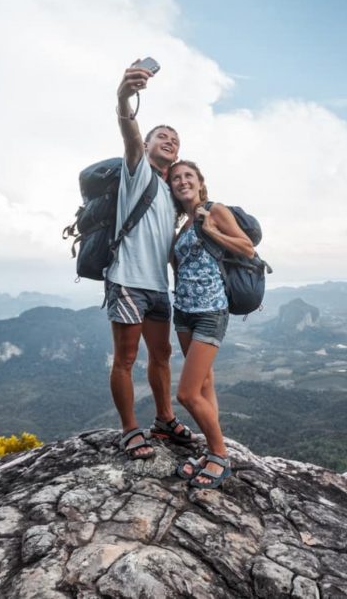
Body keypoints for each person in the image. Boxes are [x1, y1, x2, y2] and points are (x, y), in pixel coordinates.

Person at [108, 62, 195, 459]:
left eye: (176, 139)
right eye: (162, 135)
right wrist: (125, 97)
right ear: (147, 145)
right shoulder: (137, 169)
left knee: (161, 356)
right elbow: (129, 130)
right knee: (125, 358)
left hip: (158, 287)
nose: (170, 141)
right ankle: (129, 429)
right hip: (127, 279)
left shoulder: (170, 193)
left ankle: (164, 419)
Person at [167, 160, 255, 488]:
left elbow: (247, 248)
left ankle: (220, 455)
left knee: (187, 394)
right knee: (204, 386)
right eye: (176, 178)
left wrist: (212, 231)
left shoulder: (213, 211)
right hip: (184, 312)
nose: (182, 181)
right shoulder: (182, 225)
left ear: (200, 182)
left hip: (210, 311)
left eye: (188, 175)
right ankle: (210, 451)